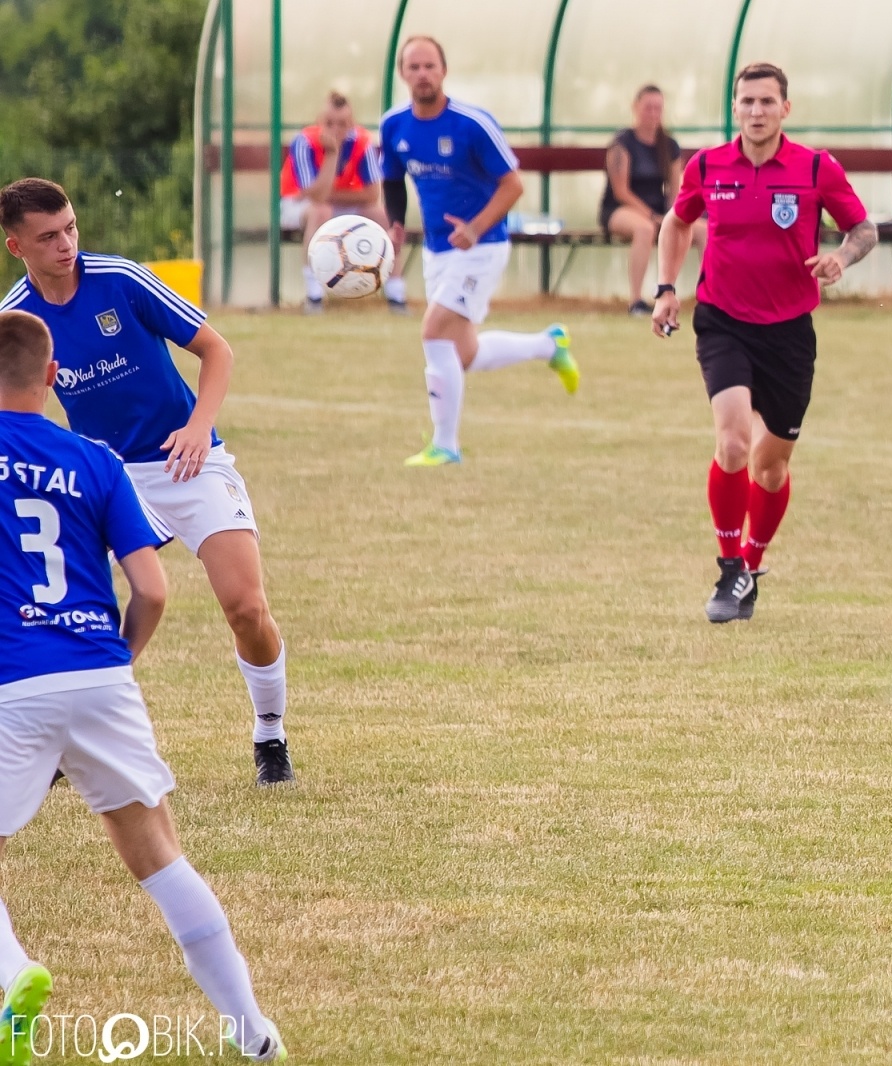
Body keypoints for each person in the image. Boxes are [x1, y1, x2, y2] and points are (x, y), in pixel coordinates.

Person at [0, 310, 287, 1064]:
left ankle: (13, 973)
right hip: (101, 674)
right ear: (53, 377)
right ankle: (254, 1031)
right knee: (160, 857)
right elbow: (153, 590)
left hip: (13, 682)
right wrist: (114, 662)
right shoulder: (96, 459)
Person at [1, 178, 298, 786]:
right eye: (49, 237)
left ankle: (270, 733)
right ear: (16, 247)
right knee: (66, 613)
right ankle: (70, 728)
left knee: (246, 607)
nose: (66, 244)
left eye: (70, 228)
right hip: (106, 478)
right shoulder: (16, 318)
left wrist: (198, 427)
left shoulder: (121, 279)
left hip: (188, 460)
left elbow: (217, 351)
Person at [652, 62, 878, 623]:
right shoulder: (708, 166)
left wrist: (841, 257)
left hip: (789, 333)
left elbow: (864, 229)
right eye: (747, 102)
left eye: (767, 102)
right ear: (735, 108)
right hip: (723, 321)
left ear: (785, 109)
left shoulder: (816, 168)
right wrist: (666, 289)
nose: (756, 112)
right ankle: (729, 567)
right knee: (732, 444)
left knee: (769, 467)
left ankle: (751, 565)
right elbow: (676, 222)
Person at [380, 35, 581, 468]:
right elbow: (393, 180)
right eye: (414, 67)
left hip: (483, 247)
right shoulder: (394, 124)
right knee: (463, 354)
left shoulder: (472, 124)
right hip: (438, 250)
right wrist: (395, 222)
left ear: (444, 70)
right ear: (403, 74)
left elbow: (513, 185)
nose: (422, 74)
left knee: (434, 331)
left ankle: (445, 445)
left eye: (430, 65)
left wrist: (475, 228)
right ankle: (549, 345)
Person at [282, 90, 407, 314]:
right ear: (319, 122)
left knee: (381, 215)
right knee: (320, 211)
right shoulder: (305, 142)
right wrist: (332, 155)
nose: (336, 130)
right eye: (329, 123)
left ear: (352, 123)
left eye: (342, 124)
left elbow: (372, 194)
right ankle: (314, 295)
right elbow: (317, 199)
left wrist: (324, 193)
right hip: (297, 206)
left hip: (337, 204)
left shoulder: (361, 142)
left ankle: (396, 295)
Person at [600, 85, 703, 315]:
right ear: (635, 107)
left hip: (660, 212)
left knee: (704, 230)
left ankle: (710, 298)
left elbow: (676, 190)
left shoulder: (669, 145)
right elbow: (621, 192)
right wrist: (653, 216)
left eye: (658, 108)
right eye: (648, 107)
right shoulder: (622, 143)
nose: (653, 113)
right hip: (621, 209)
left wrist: (675, 216)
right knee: (644, 229)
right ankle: (636, 300)